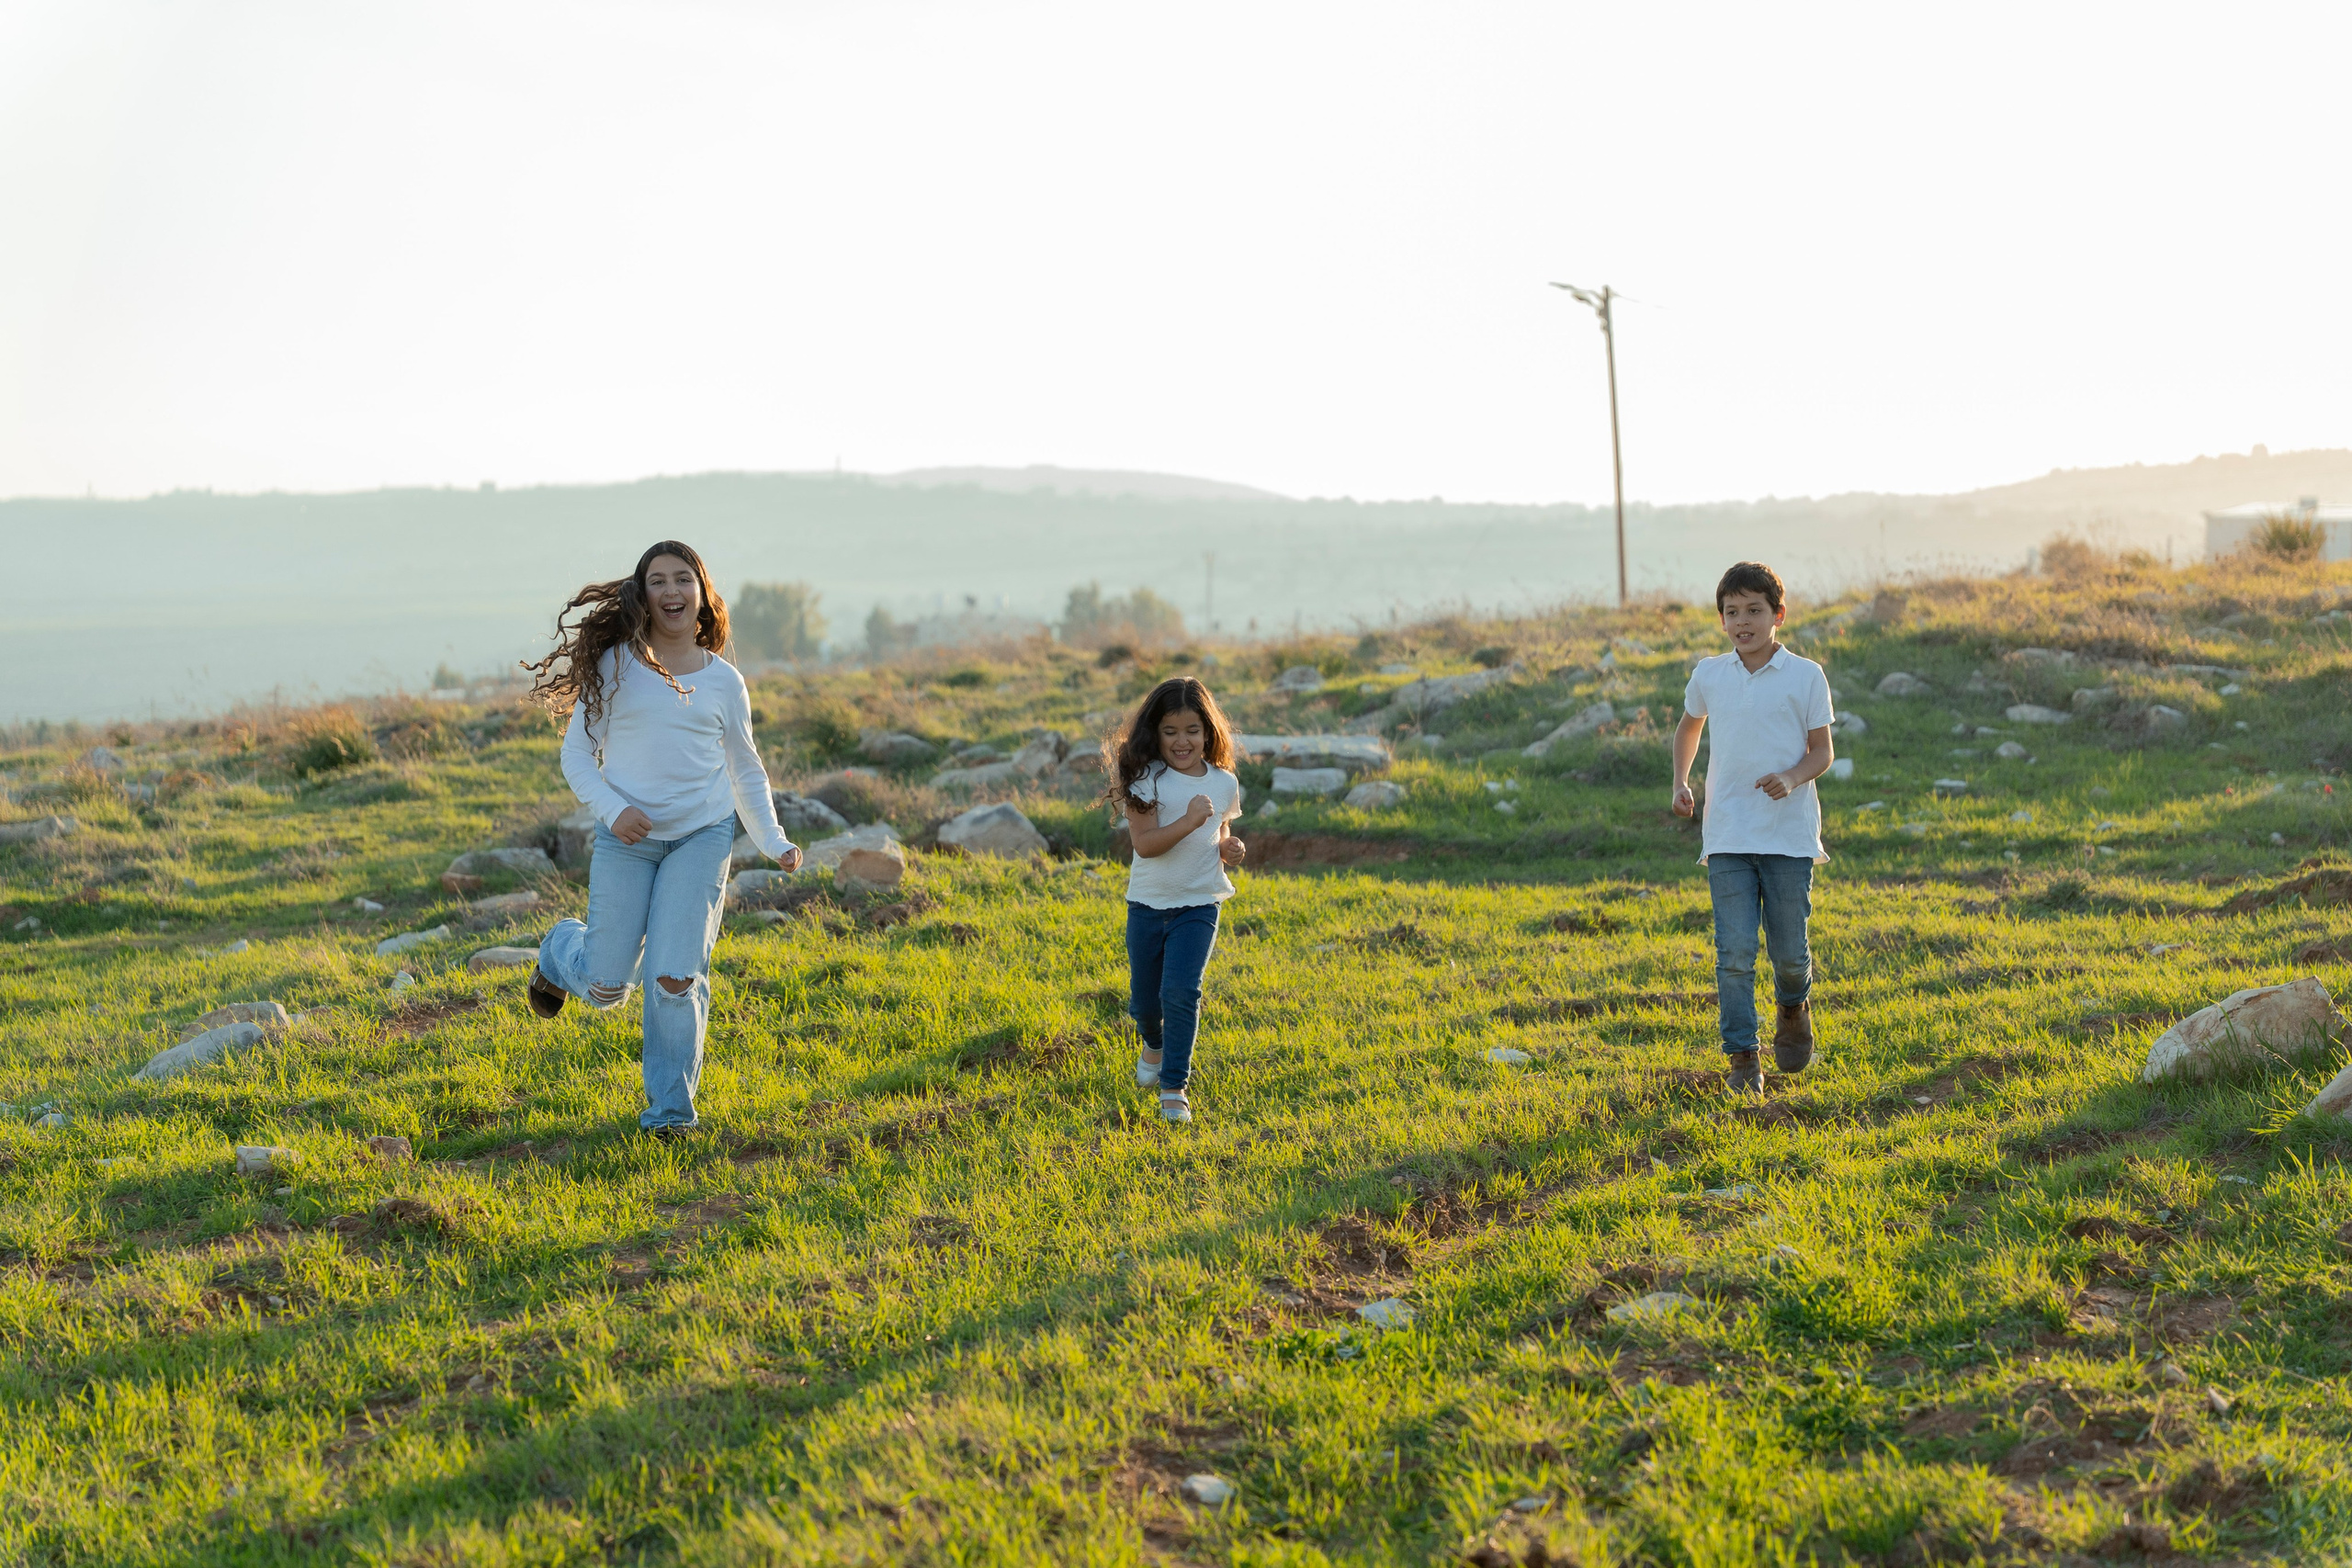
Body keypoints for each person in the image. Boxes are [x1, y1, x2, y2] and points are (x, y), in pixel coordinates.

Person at [520, 540, 802, 1136]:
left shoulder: (725, 682)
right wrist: (614, 808)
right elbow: (577, 755)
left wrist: (773, 840)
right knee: (606, 988)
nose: (672, 591)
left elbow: (745, 769)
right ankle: (558, 949)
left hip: (702, 837)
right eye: (658, 580)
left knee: (675, 977)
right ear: (642, 595)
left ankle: (670, 1114)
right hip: (628, 840)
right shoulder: (616, 667)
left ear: (701, 593)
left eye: (683, 579)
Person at [1669, 561, 1834, 1093]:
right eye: (1732, 612)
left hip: (1787, 838)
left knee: (1789, 953)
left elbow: (1822, 752)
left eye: (1754, 611)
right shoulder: (1709, 675)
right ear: (1721, 619)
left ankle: (1793, 1005)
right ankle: (1743, 1059)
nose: (1743, 621)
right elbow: (1689, 727)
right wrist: (1681, 781)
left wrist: (1791, 777)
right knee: (1734, 953)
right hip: (1727, 836)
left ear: (1777, 615)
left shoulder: (1806, 675)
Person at [1103, 676, 1248, 1123]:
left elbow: (1218, 826)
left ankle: (1174, 1087)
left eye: (1192, 731)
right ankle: (1154, 1042)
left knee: (1182, 992)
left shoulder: (1224, 782)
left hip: (1200, 904)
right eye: (1170, 732)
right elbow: (1145, 845)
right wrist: (1188, 822)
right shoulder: (1146, 780)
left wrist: (1228, 846)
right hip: (1148, 905)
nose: (1182, 741)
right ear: (1155, 734)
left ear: (1209, 733)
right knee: (1145, 1004)